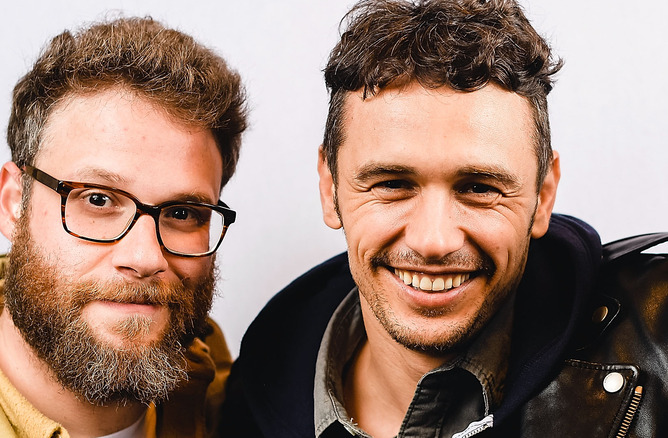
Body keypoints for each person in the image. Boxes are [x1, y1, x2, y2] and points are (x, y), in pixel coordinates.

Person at [220, 0, 668, 437]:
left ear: (543, 194)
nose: (434, 241)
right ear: (329, 188)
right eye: (392, 184)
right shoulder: (241, 406)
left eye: (479, 188)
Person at [0, 16, 246, 438]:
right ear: (12, 203)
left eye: (183, 213)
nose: (146, 257)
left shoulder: (244, 405)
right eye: (98, 199)